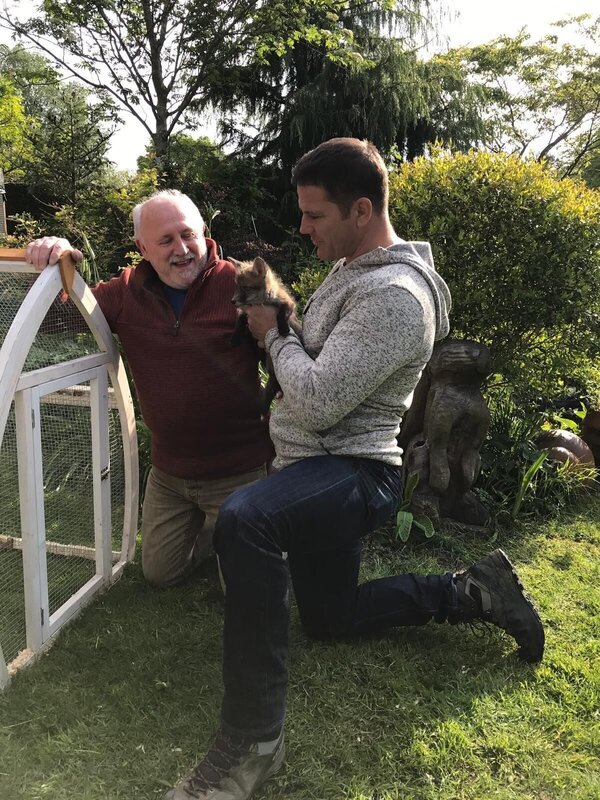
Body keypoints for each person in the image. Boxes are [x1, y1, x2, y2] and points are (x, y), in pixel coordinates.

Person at [162, 139, 545, 800]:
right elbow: (321, 363)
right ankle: (469, 591)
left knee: (246, 521)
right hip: (315, 470)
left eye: (315, 215)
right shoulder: (351, 270)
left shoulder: (395, 297)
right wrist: (279, 322)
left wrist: (272, 334)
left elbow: (315, 401)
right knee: (330, 617)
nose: (303, 226)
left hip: (355, 473)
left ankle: (253, 740)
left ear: (361, 210)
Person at [25, 190, 273, 587]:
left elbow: (287, 360)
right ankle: (216, 535)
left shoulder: (242, 287)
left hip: (239, 470)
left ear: (203, 232)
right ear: (142, 248)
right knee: (160, 573)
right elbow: (53, 322)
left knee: (248, 588)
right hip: (170, 474)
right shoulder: (125, 292)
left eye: (188, 235)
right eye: (166, 240)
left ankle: (246, 533)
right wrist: (53, 265)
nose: (182, 250)